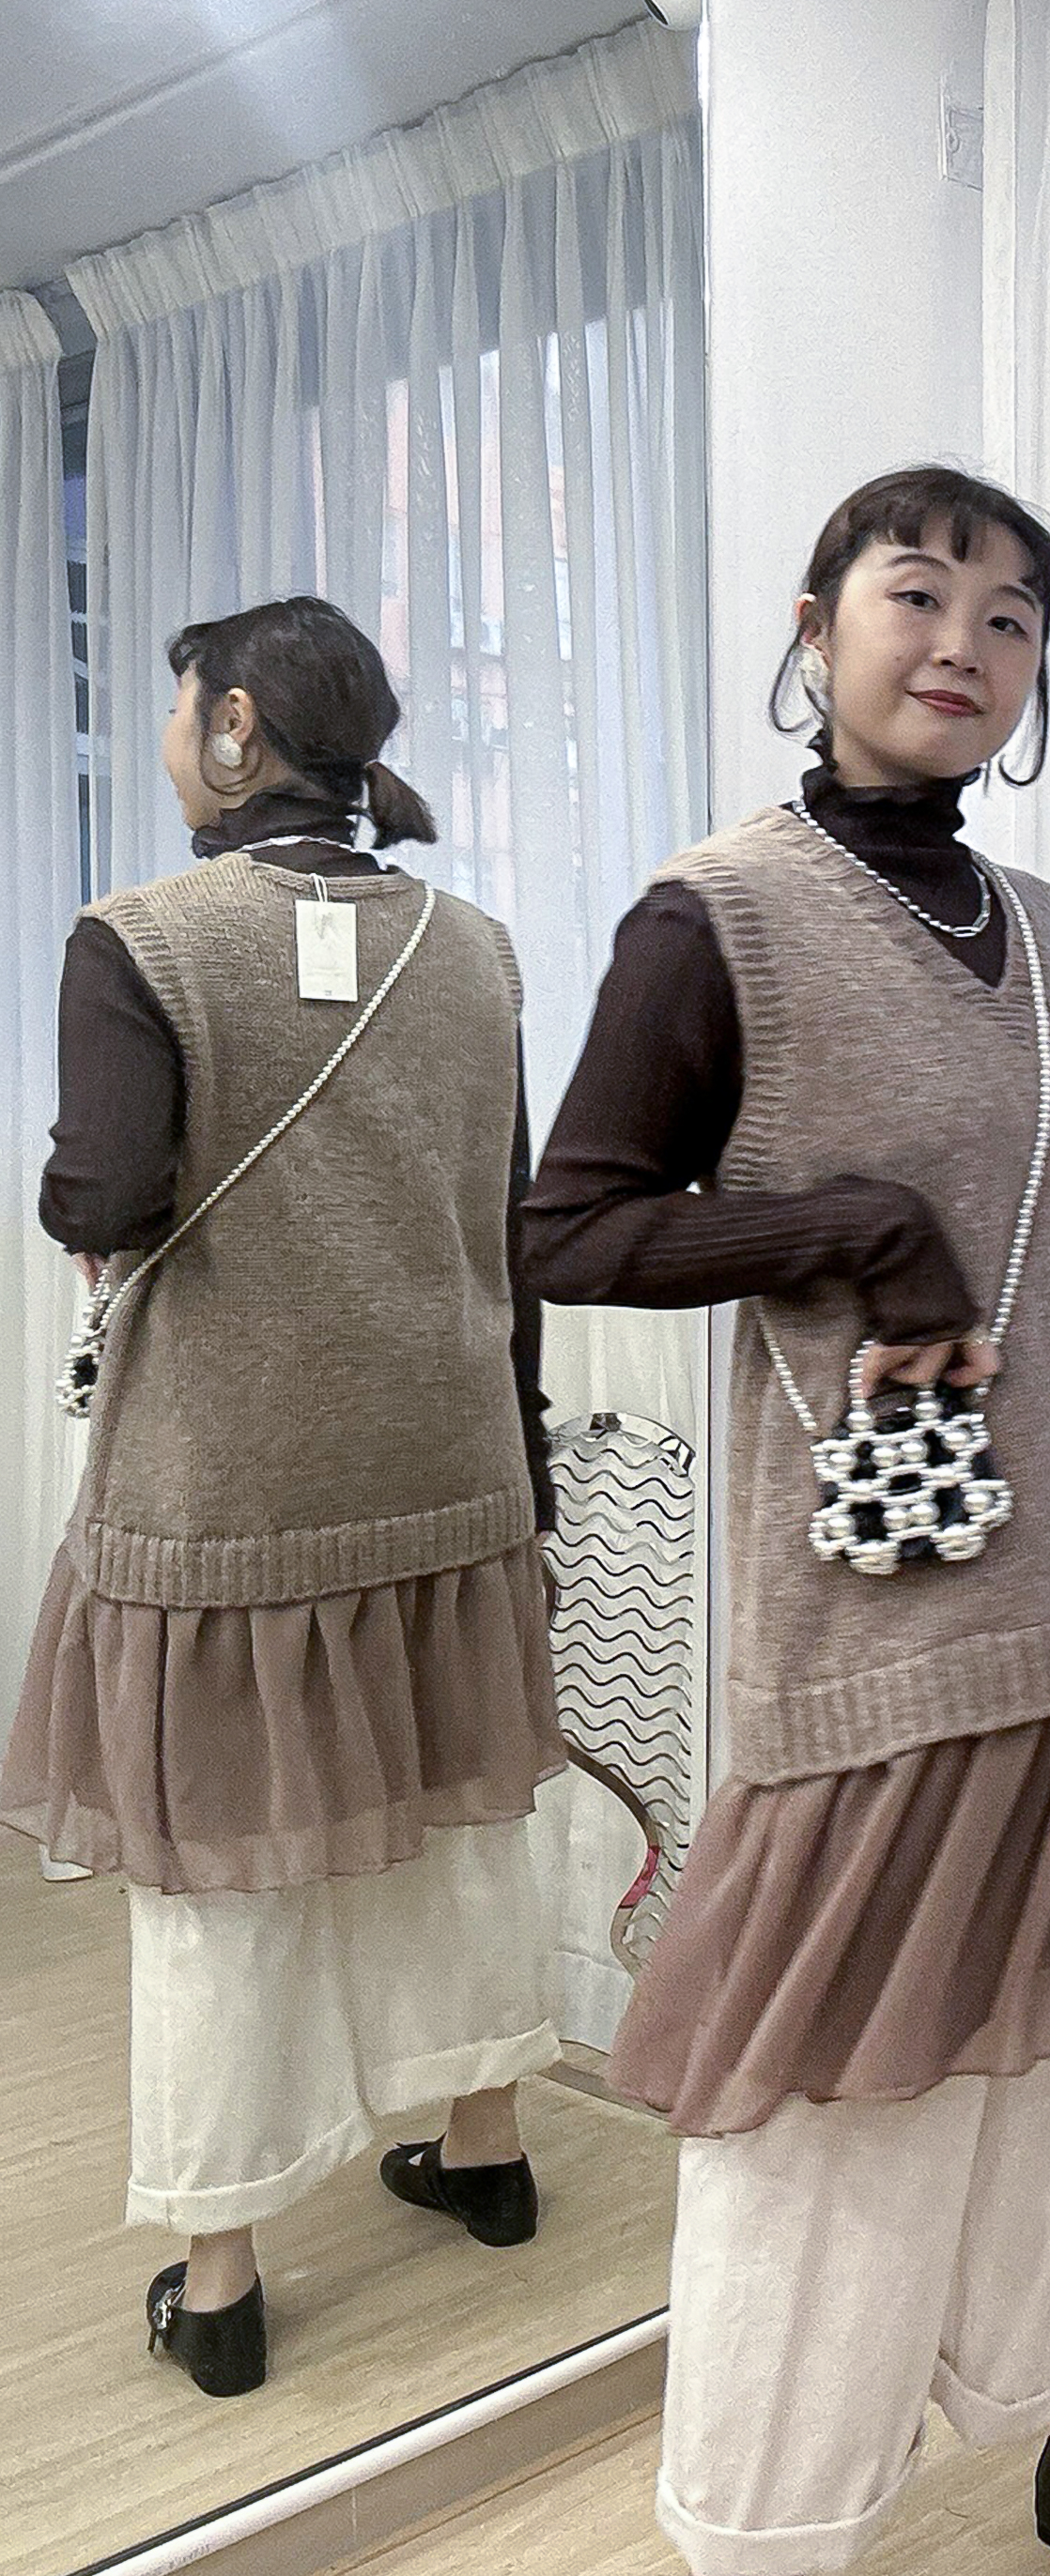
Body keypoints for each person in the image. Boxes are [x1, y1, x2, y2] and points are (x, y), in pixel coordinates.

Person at [521, 467, 1050, 2575]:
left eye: (1012, 615)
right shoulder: (715, 916)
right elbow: (567, 1227)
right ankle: (763, 2535)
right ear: (817, 624)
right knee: (821, 2103)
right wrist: (858, 1229)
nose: (965, 642)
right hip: (883, 1621)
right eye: (920, 590)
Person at [0, 597, 569, 2398]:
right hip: (449, 1462)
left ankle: (226, 2274)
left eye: (183, 711)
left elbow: (100, 1197)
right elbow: (513, 1232)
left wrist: (84, 1199)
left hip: (229, 1481)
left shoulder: (139, 940)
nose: (173, 739)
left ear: (238, 727)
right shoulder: (475, 949)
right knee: (453, 1824)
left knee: (218, 1869)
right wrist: (524, 1462)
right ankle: (485, 2150)